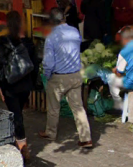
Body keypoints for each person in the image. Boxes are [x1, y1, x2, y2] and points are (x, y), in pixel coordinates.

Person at [38, 8, 93, 149]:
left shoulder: (51, 37)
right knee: (78, 108)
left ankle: (50, 133)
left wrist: (47, 75)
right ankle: (86, 138)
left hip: (58, 77)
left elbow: (48, 62)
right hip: (75, 75)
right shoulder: (74, 32)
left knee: (53, 107)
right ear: (64, 18)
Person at [0, 11, 39, 159]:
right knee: (18, 113)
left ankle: (23, 148)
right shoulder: (29, 43)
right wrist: (33, 84)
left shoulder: (2, 41)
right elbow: (34, 65)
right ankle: (18, 143)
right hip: (25, 86)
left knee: (16, 115)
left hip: (9, 85)